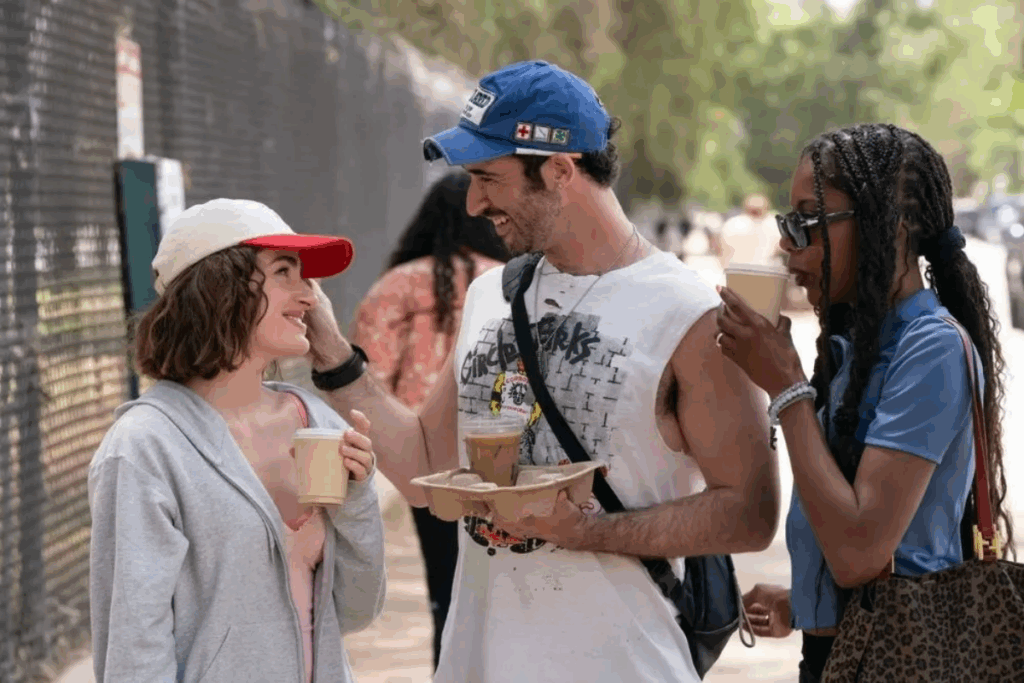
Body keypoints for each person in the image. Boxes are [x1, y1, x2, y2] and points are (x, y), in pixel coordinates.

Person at [302, 60, 779, 682]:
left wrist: (589, 532)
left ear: (559, 169)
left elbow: (750, 513)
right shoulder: (492, 294)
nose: (473, 203)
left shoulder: (687, 314)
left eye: (488, 178)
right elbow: (423, 468)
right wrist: (333, 357)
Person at [714, 123, 1016, 683]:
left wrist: (787, 388)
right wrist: (804, 604)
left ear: (889, 227)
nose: (788, 244)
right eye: (788, 222)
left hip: (903, 661)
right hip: (846, 651)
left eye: (808, 221)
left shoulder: (931, 349)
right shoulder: (855, 344)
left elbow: (858, 554)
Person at [88, 199, 387, 683]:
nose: (310, 296)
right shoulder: (146, 448)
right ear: (219, 288)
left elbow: (355, 612)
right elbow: (134, 649)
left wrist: (357, 500)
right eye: (284, 272)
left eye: (305, 276)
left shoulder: (318, 424)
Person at [349, 171, 509, 669]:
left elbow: (367, 381)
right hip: (509, 462)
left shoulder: (395, 288)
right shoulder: (514, 282)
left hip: (429, 466)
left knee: (448, 592)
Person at [719, 192, 784, 268]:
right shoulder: (773, 225)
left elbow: (722, 251)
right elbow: (781, 248)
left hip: (735, 270)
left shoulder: (731, 224)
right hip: (765, 270)